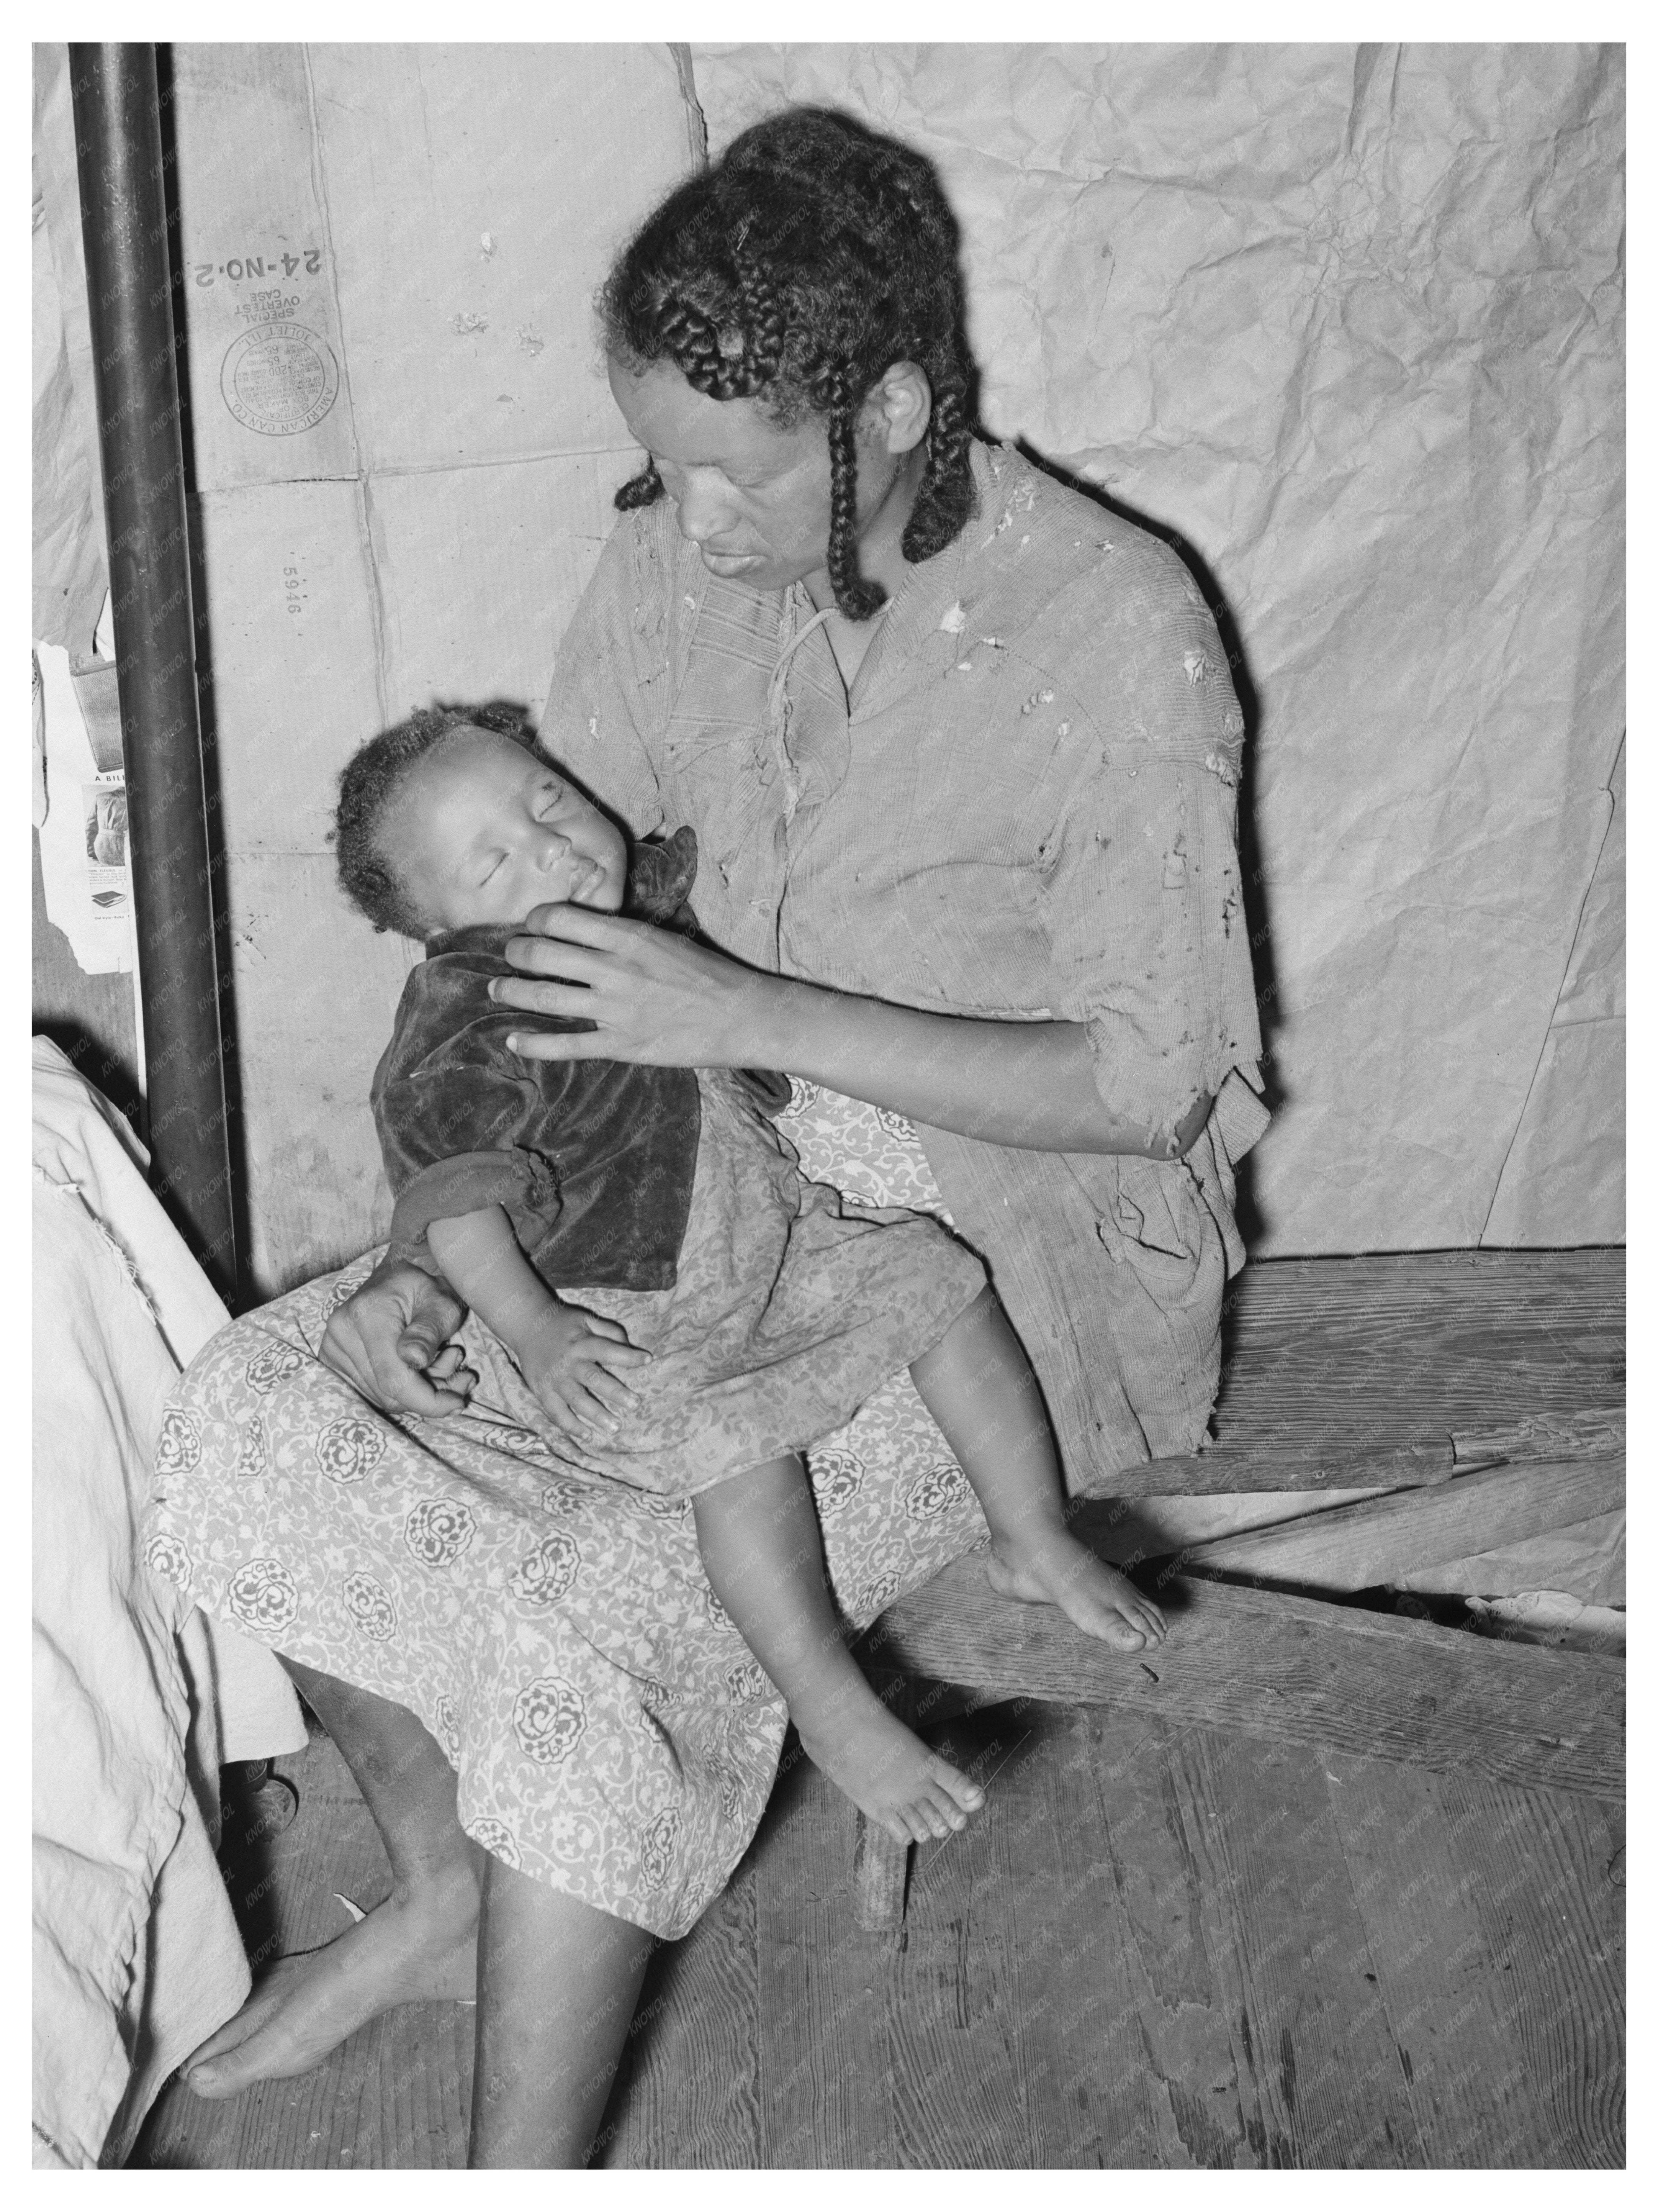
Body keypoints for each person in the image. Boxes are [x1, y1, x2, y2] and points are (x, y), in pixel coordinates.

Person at [147, 105, 1265, 2167]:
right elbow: (548, 939)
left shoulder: (1117, 639)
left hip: (984, 1260)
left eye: (720, 473)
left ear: (897, 411)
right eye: (651, 460)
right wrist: (430, 1251)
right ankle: (453, 1885)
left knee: (605, 1591)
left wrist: (740, 1016)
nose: (673, 515)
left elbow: (1148, 1086)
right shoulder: (681, 562)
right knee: (259, 1405)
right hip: (664, 1169)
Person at [331, 701, 1167, 1837]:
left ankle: (1029, 1534)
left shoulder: (641, 912)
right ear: (434, 928)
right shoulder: (469, 1009)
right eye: (496, 860)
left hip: (776, 1240)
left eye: (550, 800)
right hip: (624, 1311)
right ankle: (829, 1705)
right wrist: (533, 1330)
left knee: (939, 1285)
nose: (555, 845)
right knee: (742, 1454)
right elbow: (457, 1191)